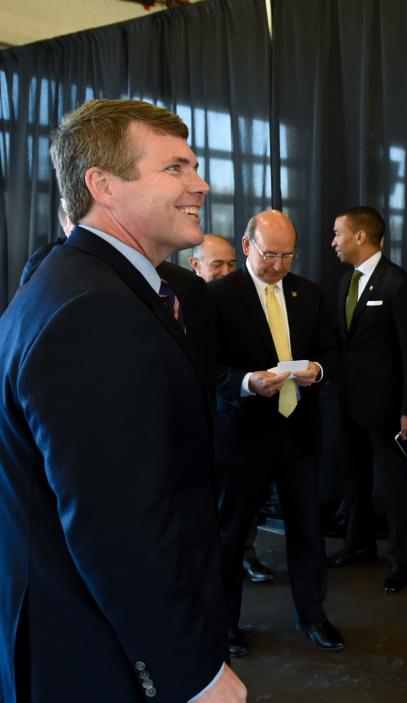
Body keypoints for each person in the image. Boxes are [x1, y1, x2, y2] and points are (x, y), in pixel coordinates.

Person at [0, 99, 244, 701]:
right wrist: (193, 673)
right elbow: (117, 529)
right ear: (103, 185)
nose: (201, 183)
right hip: (96, 650)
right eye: (176, 168)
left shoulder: (77, 281)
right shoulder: (96, 309)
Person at [209, 209, 342, 657]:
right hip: (242, 433)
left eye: (288, 255)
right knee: (230, 536)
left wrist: (318, 370)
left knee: (307, 527)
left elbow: (330, 351)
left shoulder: (310, 293)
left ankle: (313, 614)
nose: (280, 265)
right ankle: (224, 624)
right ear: (247, 246)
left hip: (298, 431)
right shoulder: (217, 296)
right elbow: (204, 368)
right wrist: (247, 383)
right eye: (271, 255)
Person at [327, 206, 407, 595]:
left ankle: (400, 559)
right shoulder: (345, 282)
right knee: (354, 478)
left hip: (388, 409)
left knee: (396, 483)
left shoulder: (397, 285)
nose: (333, 241)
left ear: (360, 237)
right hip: (350, 403)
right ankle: (357, 544)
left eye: (338, 233)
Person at [189, 233, 272, 583]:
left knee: (241, 503)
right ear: (196, 266)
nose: (225, 271)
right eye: (216, 264)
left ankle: (245, 555)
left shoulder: (243, 299)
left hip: (235, 419)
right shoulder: (180, 301)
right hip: (194, 421)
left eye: (231, 264)